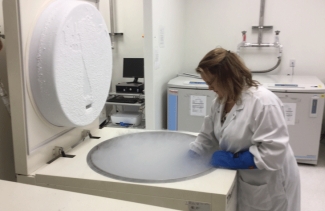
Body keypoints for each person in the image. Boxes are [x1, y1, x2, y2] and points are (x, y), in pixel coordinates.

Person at [189, 47, 300, 211]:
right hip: (247, 180)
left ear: (227, 77)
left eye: (211, 83)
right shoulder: (220, 102)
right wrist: (191, 155)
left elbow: (273, 153)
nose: (209, 88)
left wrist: (232, 160)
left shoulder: (263, 102)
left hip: (270, 181)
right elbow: (207, 135)